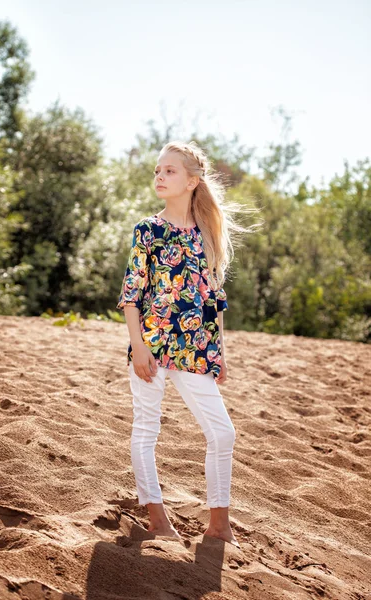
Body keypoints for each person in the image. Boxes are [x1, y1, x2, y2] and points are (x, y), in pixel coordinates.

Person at [116, 140, 255, 548]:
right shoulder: (148, 230)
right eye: (158, 170)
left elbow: (215, 301)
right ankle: (157, 518)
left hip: (195, 351)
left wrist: (220, 353)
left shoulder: (206, 235)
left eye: (170, 171)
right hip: (152, 350)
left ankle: (218, 524)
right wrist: (138, 347)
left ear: (192, 181)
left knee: (222, 433)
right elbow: (131, 295)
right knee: (146, 429)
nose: (159, 176)